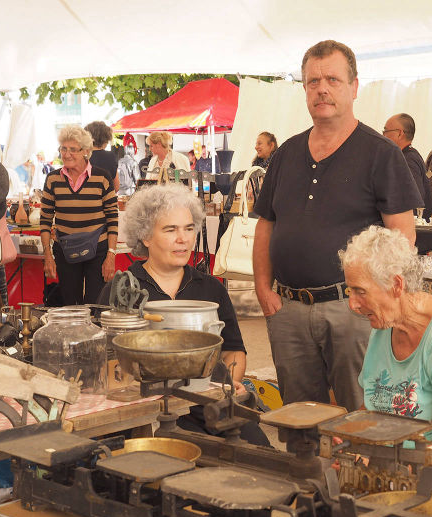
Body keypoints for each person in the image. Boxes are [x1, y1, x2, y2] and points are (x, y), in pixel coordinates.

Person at [253, 40, 423, 412]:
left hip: (354, 311)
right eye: (313, 81)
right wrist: (263, 290)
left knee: (363, 414)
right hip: (288, 309)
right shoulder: (284, 155)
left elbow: (403, 238)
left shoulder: (382, 154)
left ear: (354, 87)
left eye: (333, 79)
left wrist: (377, 301)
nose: (322, 89)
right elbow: (266, 225)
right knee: (298, 419)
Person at [99, 183, 269, 445]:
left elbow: (233, 350)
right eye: (170, 230)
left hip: (211, 403)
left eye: (189, 228)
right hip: (152, 409)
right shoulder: (122, 290)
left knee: (259, 451)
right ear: (145, 236)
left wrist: (228, 386)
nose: (183, 239)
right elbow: (105, 364)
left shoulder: (211, 288)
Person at [340, 226, 432, 441]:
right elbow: (373, 407)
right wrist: (351, 438)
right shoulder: (385, 326)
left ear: (396, 285)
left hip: (427, 461)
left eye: (360, 291)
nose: (352, 304)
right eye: (350, 290)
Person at [40, 124, 118, 305]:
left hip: (98, 249)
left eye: (73, 150)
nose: (66, 154)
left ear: (86, 151)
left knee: (95, 304)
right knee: (70, 306)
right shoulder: (52, 179)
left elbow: (113, 219)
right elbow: (45, 220)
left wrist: (111, 255)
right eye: (63, 149)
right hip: (65, 249)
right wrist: (47, 256)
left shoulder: (102, 177)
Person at [383, 113, 432, 254]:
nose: (383, 135)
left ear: (399, 133)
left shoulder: (407, 160)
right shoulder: (410, 155)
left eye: (386, 131)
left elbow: (412, 199)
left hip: (413, 240)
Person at [85, 121, 120, 193]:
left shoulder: (82, 156)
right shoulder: (110, 156)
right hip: (105, 198)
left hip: (84, 198)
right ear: (106, 139)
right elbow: (116, 187)